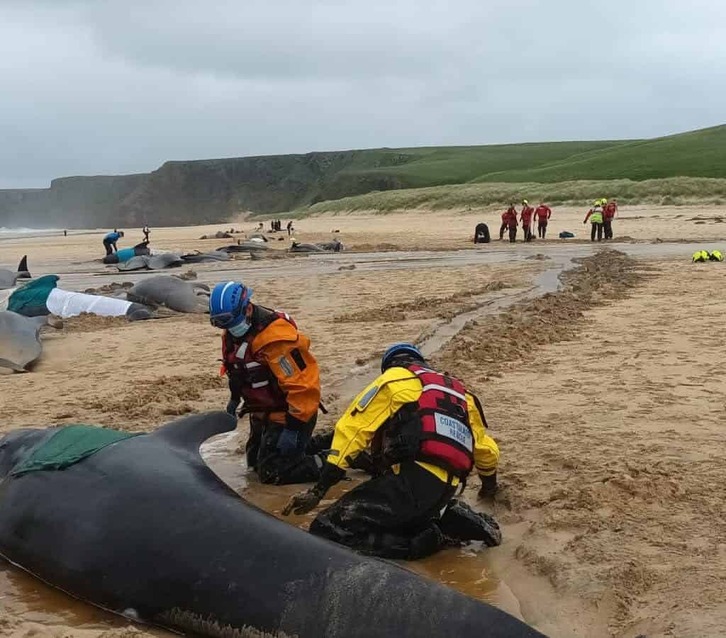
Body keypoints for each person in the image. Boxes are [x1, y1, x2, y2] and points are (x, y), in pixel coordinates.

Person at [283, 343, 501, 560]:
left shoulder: (394, 379)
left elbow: (352, 429)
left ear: (390, 365)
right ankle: (446, 517)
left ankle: (433, 538)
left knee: (327, 529)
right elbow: (486, 450)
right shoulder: (462, 395)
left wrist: (319, 490)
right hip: (447, 487)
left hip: (411, 481)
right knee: (400, 517)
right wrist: (489, 487)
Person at [209, 281, 324, 485]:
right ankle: (312, 446)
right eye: (220, 323)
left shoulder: (276, 340)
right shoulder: (232, 334)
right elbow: (236, 371)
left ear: (249, 309)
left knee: (273, 473)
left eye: (229, 322)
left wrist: (293, 427)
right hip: (262, 412)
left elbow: (303, 386)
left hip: (291, 413)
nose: (226, 328)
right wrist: (234, 400)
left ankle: (333, 462)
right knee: (253, 465)